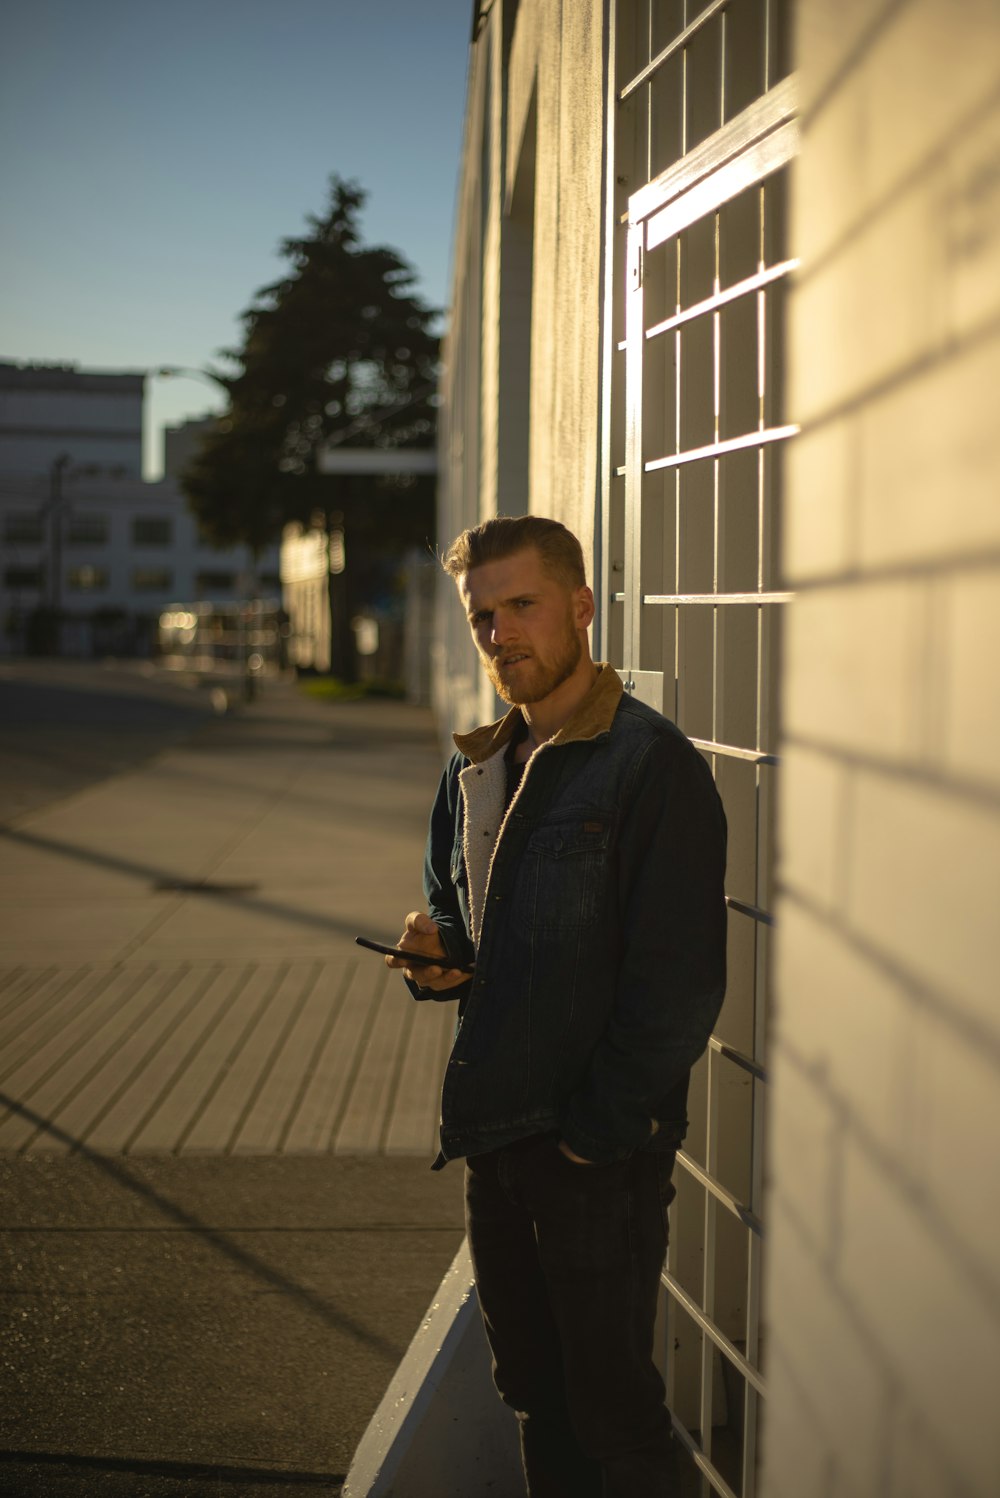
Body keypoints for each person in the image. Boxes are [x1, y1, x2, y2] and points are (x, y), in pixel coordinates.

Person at [387, 515, 727, 1498]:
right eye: (482, 615)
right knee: (533, 1391)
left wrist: (597, 1132)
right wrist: (435, 956)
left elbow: (680, 978)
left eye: (521, 606)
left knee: (612, 1413)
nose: (500, 634)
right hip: (496, 1137)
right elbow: (458, 913)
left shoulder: (646, 764)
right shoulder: (476, 762)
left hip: (595, 1153)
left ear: (581, 607)